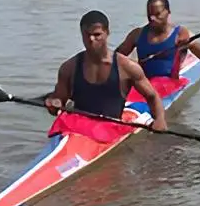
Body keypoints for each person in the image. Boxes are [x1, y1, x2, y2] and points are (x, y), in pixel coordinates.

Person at [44, 10, 168, 144]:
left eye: (97, 35)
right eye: (87, 35)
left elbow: (152, 96)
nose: (91, 39)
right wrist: (55, 103)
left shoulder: (127, 67)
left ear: (107, 33)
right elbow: (59, 100)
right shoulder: (69, 67)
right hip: (77, 128)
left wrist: (160, 119)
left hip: (109, 129)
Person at [115, 0, 200, 93]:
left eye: (157, 14)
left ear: (168, 12)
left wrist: (191, 44)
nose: (152, 18)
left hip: (170, 83)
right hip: (145, 83)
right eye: (150, 14)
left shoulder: (180, 33)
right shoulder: (137, 34)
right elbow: (116, 57)